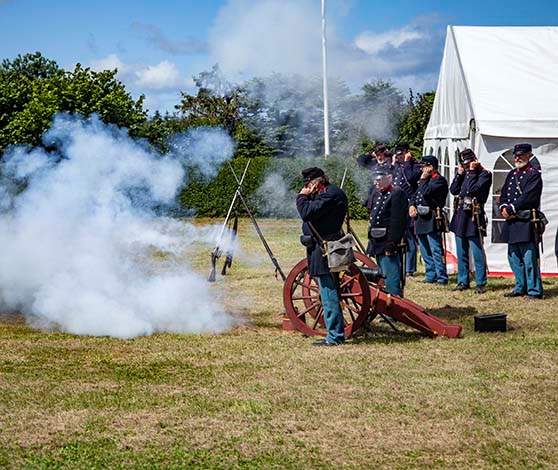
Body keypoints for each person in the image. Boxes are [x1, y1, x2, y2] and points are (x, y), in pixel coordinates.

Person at [297, 167, 349, 345]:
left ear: (317, 181)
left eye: (310, 183)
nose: (308, 187)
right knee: (328, 291)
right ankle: (335, 332)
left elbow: (306, 213)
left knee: (328, 294)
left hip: (325, 249)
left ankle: (334, 336)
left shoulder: (330, 195)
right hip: (321, 248)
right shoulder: (325, 193)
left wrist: (301, 197)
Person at [498, 143, 544, 300]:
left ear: (529, 155)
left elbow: (529, 196)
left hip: (525, 221)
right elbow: (504, 192)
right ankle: (520, 286)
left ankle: (534, 290)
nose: (517, 158)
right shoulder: (512, 174)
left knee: (529, 258)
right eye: (516, 155)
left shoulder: (534, 174)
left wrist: (511, 208)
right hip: (512, 222)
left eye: (521, 155)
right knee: (513, 256)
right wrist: (503, 206)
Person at [449, 149, 493, 293]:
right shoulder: (465, 173)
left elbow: (473, 190)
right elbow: (454, 190)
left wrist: (472, 172)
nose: (466, 166)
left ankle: (480, 282)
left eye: (468, 163)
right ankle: (463, 280)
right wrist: (459, 174)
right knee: (461, 250)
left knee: (476, 251)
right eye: (465, 164)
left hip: (473, 214)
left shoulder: (484, 174)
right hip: (461, 213)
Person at [364, 170, 408, 296]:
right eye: (375, 180)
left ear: (388, 178)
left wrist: (392, 243)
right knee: (383, 273)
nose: (376, 183)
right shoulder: (379, 194)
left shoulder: (396, 193)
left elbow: (397, 221)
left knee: (391, 274)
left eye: (378, 180)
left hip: (387, 241)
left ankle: (394, 300)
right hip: (377, 240)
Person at [410, 155, 449, 285]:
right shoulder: (424, 180)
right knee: (424, 249)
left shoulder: (439, 180)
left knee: (435, 249)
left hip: (432, 216)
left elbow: (426, 192)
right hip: (420, 217)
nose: (422, 169)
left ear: (431, 167)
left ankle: (441, 277)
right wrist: (412, 205)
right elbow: (416, 194)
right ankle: (430, 274)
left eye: (425, 166)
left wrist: (423, 179)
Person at [392, 143, 422, 276]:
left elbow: (411, 178)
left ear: (406, 153)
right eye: (397, 155)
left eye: (401, 154)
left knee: (410, 238)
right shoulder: (396, 166)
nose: (398, 157)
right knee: (397, 237)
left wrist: (407, 162)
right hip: (397, 205)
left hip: (409, 204)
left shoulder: (414, 165)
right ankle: (398, 265)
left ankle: (410, 269)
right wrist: (393, 164)